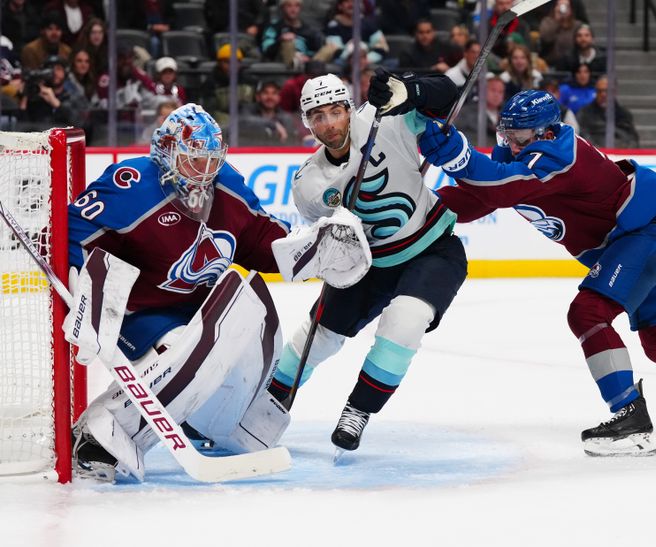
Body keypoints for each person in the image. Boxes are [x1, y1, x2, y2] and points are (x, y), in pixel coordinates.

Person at [417, 89, 656, 456]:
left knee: (588, 313)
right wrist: (412, 207)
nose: (510, 144)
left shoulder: (561, 154)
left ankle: (629, 417)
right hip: (647, 233)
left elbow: (498, 187)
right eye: (505, 135)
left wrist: (456, 156)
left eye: (518, 137)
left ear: (546, 132)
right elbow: (478, 196)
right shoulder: (520, 158)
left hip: (649, 229)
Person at [66, 103, 293, 482]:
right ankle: (99, 433)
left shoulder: (227, 186)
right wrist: (85, 289)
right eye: (192, 160)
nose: (204, 171)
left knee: (252, 321)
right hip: (142, 315)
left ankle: (215, 421)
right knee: (181, 351)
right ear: (166, 152)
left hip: (196, 308)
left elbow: (260, 237)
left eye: (211, 159)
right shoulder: (133, 183)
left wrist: (307, 250)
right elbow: (73, 231)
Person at [266, 69, 467, 454]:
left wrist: (410, 88)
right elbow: (335, 244)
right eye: (318, 117)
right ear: (307, 123)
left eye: (335, 112)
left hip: (431, 249)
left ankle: (358, 410)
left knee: (405, 321)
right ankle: (268, 402)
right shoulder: (309, 184)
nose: (329, 125)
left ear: (348, 108)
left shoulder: (386, 118)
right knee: (317, 337)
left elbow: (448, 96)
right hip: (368, 265)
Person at [577, 74, 640, 148]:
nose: (603, 94)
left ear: (614, 92)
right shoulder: (584, 113)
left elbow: (633, 139)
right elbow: (581, 136)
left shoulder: (624, 114)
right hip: (594, 154)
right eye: (599, 91)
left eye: (606, 91)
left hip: (619, 154)